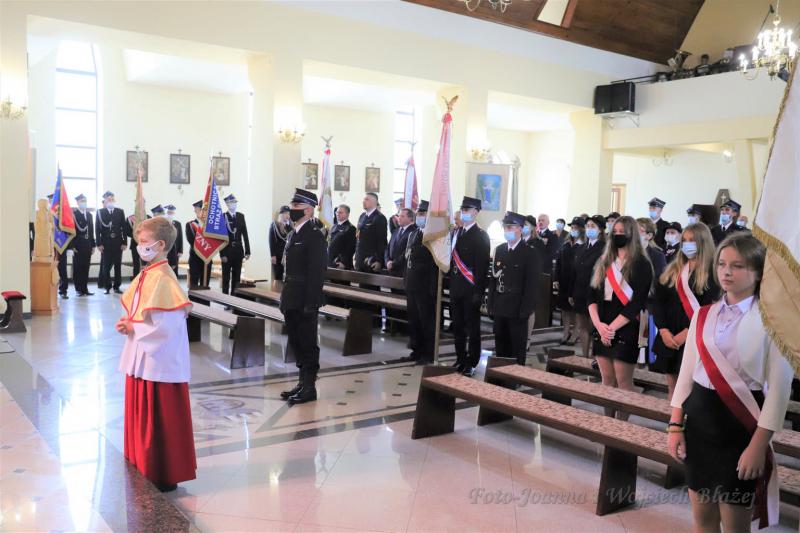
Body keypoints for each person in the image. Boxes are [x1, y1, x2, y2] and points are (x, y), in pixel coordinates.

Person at [668, 233, 793, 532]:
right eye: (722, 264)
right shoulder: (704, 314)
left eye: (738, 266)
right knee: (703, 519)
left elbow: (779, 392)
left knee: (735, 524)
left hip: (740, 428)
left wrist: (758, 446)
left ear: (758, 272)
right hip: (700, 424)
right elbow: (686, 375)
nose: (726, 271)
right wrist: (675, 425)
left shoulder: (774, 323)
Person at [116, 216, 196, 493]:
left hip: (159, 360)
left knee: (160, 416)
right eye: (139, 242)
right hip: (143, 355)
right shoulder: (149, 272)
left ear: (161, 245)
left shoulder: (164, 278)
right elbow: (138, 308)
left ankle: (163, 469)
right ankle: (142, 459)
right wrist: (128, 322)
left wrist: (133, 328)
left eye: (144, 242)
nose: (140, 247)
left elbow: (166, 326)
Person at [588, 215, 653, 405]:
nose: (617, 235)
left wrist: (611, 329)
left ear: (632, 234)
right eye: (615, 232)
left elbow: (637, 303)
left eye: (622, 232)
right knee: (607, 381)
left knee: (624, 383)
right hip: (602, 325)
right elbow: (591, 297)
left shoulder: (641, 264)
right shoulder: (604, 261)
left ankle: (620, 423)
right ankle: (606, 421)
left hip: (626, 326)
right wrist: (599, 326)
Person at [651, 223, 719, 399]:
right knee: (673, 390)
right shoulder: (674, 269)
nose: (687, 244)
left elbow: (710, 309)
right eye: (685, 240)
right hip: (669, 335)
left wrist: (686, 334)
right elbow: (658, 301)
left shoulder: (713, 273)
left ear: (703, 242)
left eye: (692, 240)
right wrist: (663, 330)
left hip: (695, 337)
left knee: (690, 391)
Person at [279, 189, 327, 405]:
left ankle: (310, 386)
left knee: (308, 342)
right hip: (291, 296)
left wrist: (311, 302)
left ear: (308, 210)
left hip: (305, 298)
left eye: (296, 206)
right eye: (292, 205)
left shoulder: (314, 235)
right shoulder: (293, 234)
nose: (292, 209)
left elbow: (317, 272)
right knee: (296, 341)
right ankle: (301, 382)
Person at [489, 212, 541, 365]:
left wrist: (525, 310)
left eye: (511, 227)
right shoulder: (499, 250)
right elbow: (493, 280)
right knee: (501, 346)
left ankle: (515, 375)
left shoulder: (530, 253)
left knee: (516, 349)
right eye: (506, 227)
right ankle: (500, 374)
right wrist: (491, 305)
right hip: (500, 306)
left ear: (520, 229)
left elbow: (531, 285)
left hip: (517, 308)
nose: (507, 230)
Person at [450, 196, 491, 377]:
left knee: (472, 328)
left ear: (475, 213)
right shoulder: (457, 233)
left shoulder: (480, 236)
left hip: (470, 289)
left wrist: (478, 293)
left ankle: (472, 362)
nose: (463, 213)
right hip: (456, 288)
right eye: (462, 210)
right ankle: (460, 357)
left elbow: (481, 268)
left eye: (466, 210)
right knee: (458, 326)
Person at [402, 200, 437, 365]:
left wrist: (432, 287)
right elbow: (407, 258)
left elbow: (434, 265)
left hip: (424, 286)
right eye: (418, 213)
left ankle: (428, 353)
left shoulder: (433, 237)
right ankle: (416, 350)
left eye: (422, 213)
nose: (419, 216)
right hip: (411, 283)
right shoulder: (414, 233)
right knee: (414, 320)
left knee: (426, 321)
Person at [570, 214, 606, 358]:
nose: (589, 229)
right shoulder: (581, 247)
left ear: (600, 230)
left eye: (593, 226)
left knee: (594, 327)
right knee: (582, 326)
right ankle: (585, 356)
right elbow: (574, 272)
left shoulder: (604, 248)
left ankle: (595, 356)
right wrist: (571, 293)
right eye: (588, 226)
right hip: (580, 292)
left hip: (596, 293)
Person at [555, 216, 584, 345]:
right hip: (564, 281)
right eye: (572, 227)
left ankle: (576, 333)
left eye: (576, 228)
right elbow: (558, 262)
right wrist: (556, 278)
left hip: (577, 281)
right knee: (564, 308)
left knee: (575, 309)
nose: (573, 230)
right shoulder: (566, 244)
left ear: (581, 230)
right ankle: (566, 332)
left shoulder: (583, 245)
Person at [96, 191, 127, 294]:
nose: (111, 201)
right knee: (106, 267)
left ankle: (117, 286)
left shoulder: (120, 211)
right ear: (105, 201)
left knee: (118, 266)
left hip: (118, 243)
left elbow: (124, 228)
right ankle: (107, 287)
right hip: (105, 244)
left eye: (112, 199)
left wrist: (124, 242)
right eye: (109, 199)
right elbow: (97, 229)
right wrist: (98, 244)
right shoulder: (100, 212)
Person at [220, 194, 250, 294]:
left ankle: (234, 296)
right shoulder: (223, 217)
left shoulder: (241, 216)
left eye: (235, 202)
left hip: (238, 251)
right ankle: (225, 298)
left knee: (237, 277)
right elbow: (220, 237)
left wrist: (247, 251)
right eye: (232, 203)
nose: (234, 204)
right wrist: (222, 254)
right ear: (227, 204)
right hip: (227, 251)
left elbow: (245, 234)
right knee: (226, 277)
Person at [355, 192, 388, 273]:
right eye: (363, 199)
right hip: (360, 259)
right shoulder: (362, 216)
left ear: (374, 202)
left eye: (366, 199)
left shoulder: (379, 218)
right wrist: (356, 256)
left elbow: (382, 242)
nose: (363, 201)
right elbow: (358, 238)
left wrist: (379, 261)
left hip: (371, 261)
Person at [71, 194, 95, 296]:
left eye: (85, 201)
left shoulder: (89, 215)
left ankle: (85, 289)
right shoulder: (74, 215)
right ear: (77, 203)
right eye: (81, 201)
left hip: (87, 244)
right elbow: (71, 231)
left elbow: (91, 231)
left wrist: (93, 245)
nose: (83, 203)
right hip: (78, 245)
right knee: (78, 268)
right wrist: (72, 245)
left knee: (86, 267)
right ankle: (78, 289)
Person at [185, 200, 212, 288]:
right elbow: (191, 241)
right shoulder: (190, 225)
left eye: (204, 210)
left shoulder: (209, 225)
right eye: (199, 210)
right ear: (195, 211)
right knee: (194, 284)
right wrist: (202, 251)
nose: (202, 212)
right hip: (195, 258)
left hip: (207, 259)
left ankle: (205, 298)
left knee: (205, 284)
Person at [385, 208, 416, 277]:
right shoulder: (396, 231)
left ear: (410, 218)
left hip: (403, 271)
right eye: (399, 216)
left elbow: (408, 251)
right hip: (391, 270)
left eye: (402, 216)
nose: (399, 218)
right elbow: (388, 248)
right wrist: (387, 261)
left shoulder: (413, 232)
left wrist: (394, 263)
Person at [125, 202, 151, 279]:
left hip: (147, 245)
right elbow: (127, 231)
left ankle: (146, 279)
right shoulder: (130, 218)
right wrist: (137, 236)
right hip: (135, 244)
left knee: (147, 264)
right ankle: (136, 280)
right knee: (136, 264)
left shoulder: (149, 217)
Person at [328, 204, 357, 269]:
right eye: (337, 212)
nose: (338, 214)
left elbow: (350, 248)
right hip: (330, 261)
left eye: (340, 212)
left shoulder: (351, 228)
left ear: (347, 214)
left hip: (340, 264)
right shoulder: (333, 227)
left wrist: (343, 262)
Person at [268, 205, 291, 285]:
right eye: (286, 213)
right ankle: (275, 292)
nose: (288, 216)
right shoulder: (274, 225)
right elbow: (271, 241)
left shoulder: (289, 227)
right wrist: (273, 255)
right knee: (278, 277)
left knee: (285, 278)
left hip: (286, 257)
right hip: (278, 256)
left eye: (289, 214)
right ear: (281, 214)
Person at [164, 205, 183, 277]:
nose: (170, 214)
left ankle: (174, 282)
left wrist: (180, 250)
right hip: (164, 250)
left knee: (174, 269)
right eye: (169, 212)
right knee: (165, 269)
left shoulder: (177, 224)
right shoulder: (162, 223)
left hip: (175, 250)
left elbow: (180, 237)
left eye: (172, 213)